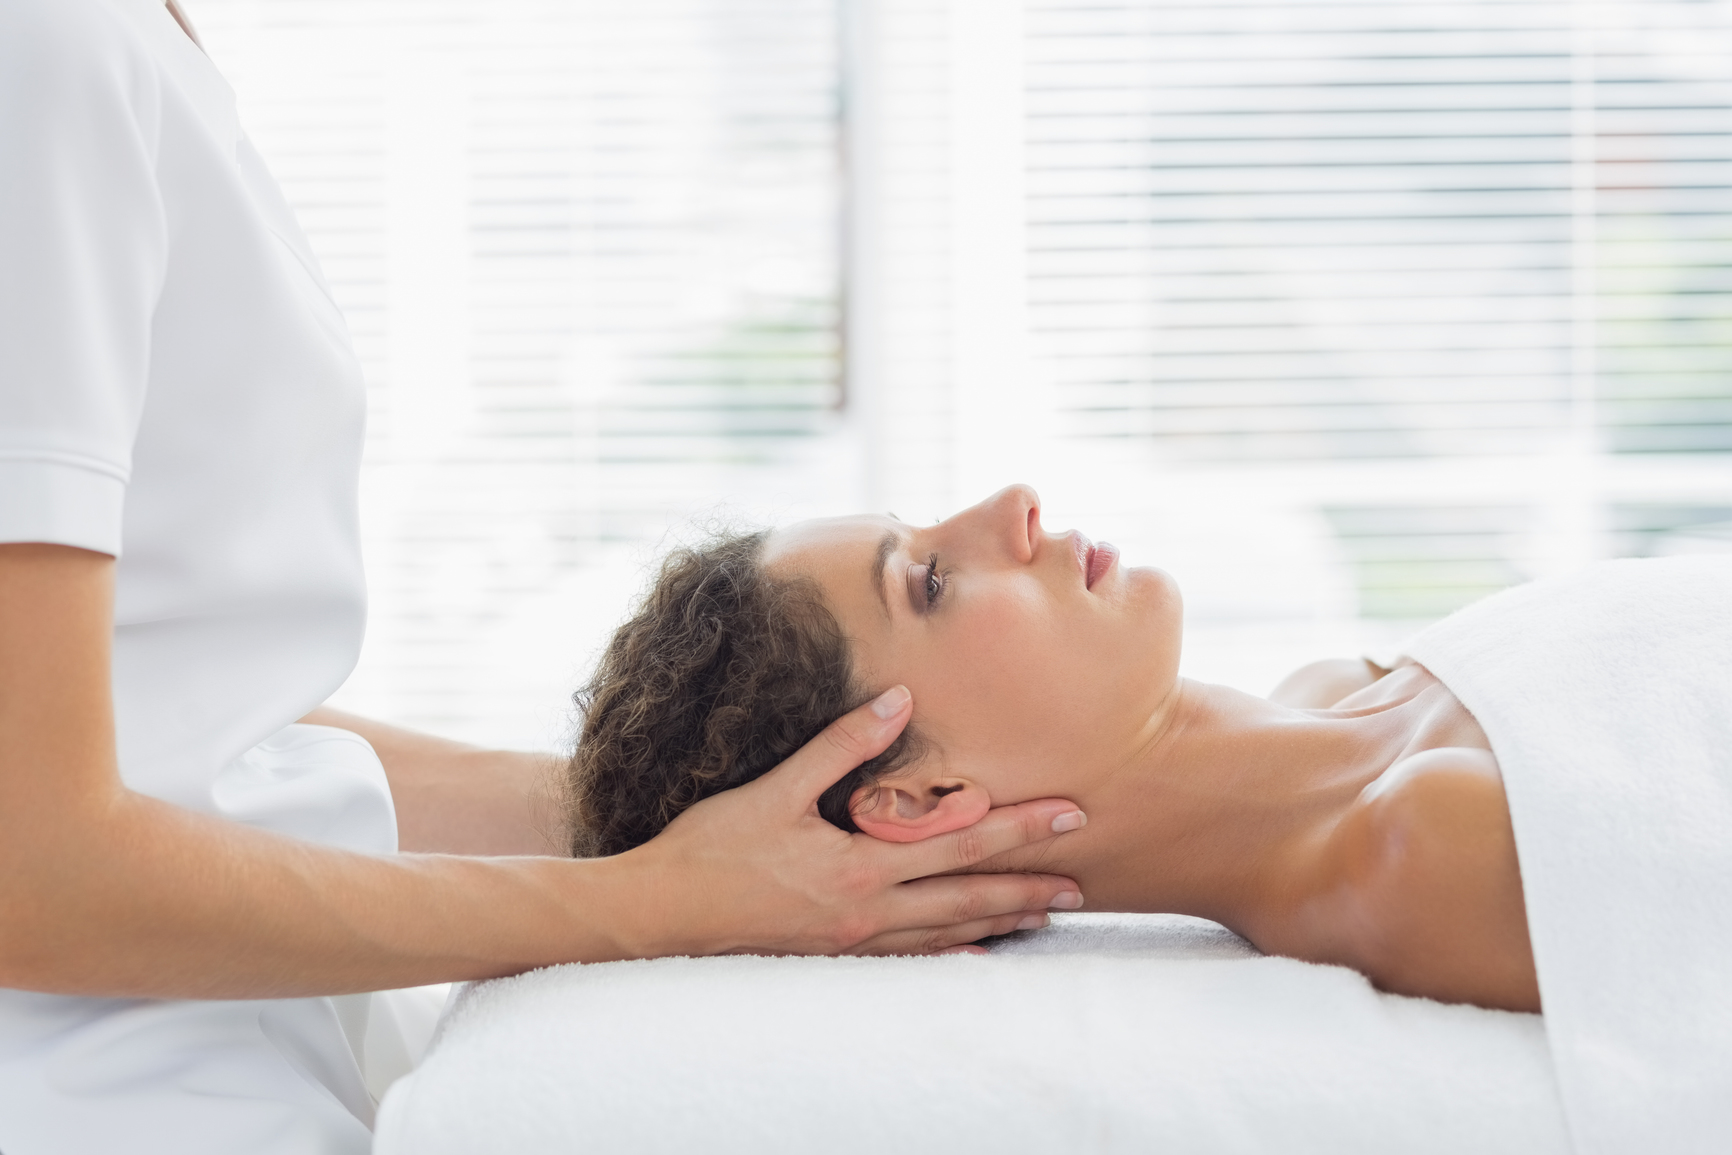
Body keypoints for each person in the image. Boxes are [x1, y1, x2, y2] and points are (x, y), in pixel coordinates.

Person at [0, 3, 1084, 1152]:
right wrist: (668, 902)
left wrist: (697, 814)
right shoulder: (49, 55)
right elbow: (34, 864)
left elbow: (172, 710)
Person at [566, 483, 1543, 1013]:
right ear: (919, 798)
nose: (1013, 504)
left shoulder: (1343, 690)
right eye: (931, 580)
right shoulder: (1426, 850)